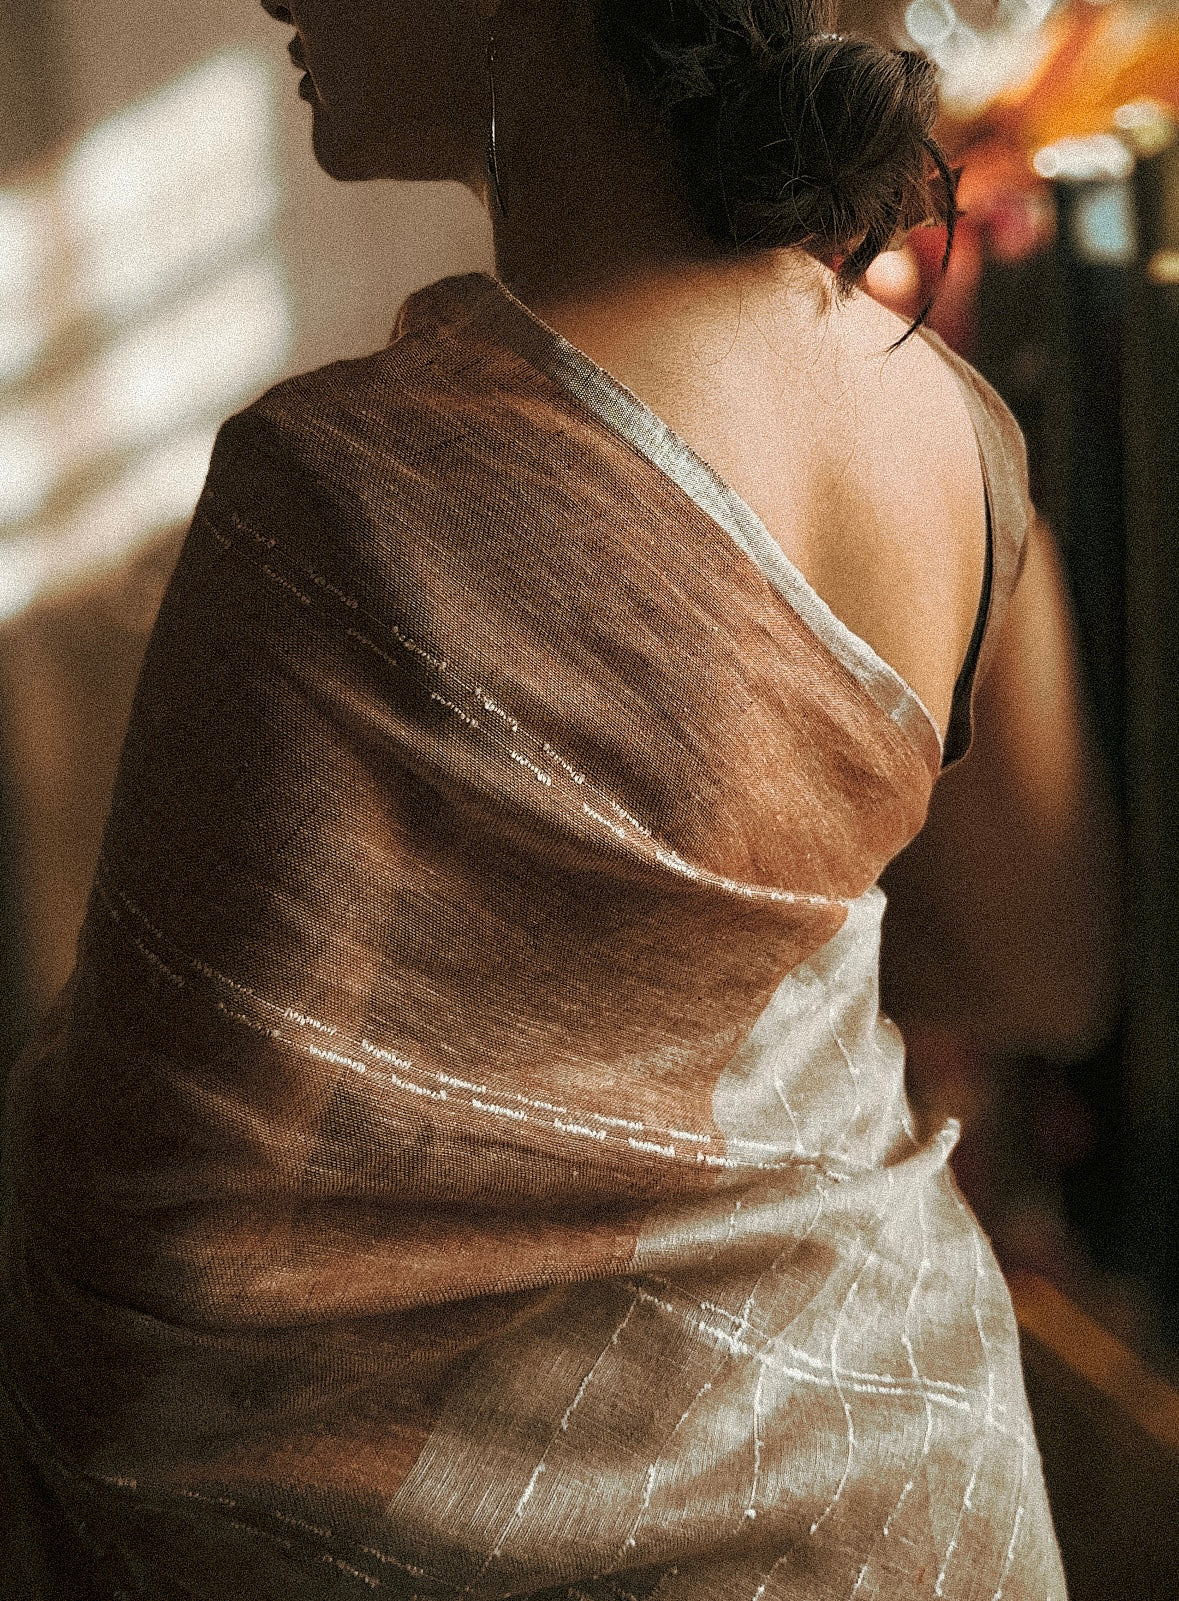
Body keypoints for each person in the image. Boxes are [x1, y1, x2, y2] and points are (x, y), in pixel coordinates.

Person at [0, 0, 1109, 1594]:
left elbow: (145, 1297)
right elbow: (1045, 971)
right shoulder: (954, 438)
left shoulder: (333, 502)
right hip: (923, 1518)